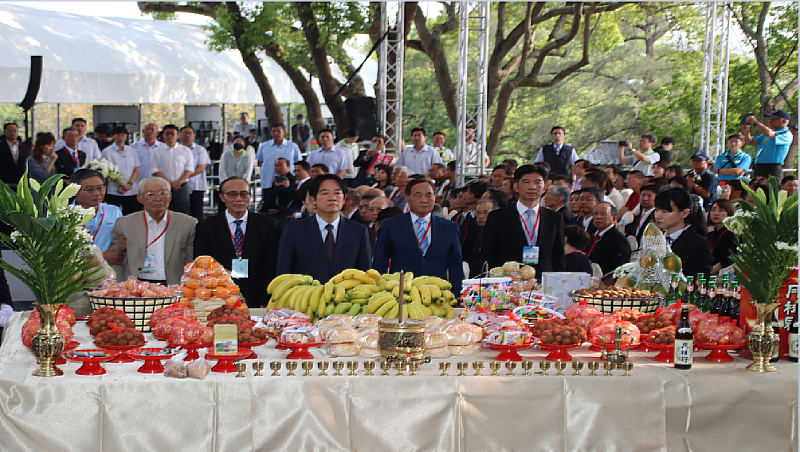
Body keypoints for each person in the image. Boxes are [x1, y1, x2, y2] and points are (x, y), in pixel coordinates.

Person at [194, 177, 279, 307]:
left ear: (250, 196)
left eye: (244, 194)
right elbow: (203, 267)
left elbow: (271, 265)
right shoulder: (206, 227)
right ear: (222, 197)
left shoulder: (268, 225)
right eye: (232, 194)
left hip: (258, 296)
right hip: (220, 298)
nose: (238, 199)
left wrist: (266, 300)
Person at [373, 179, 465, 295]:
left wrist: (458, 296)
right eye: (418, 196)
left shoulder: (449, 227)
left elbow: (456, 266)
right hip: (401, 292)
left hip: (438, 293)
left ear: (435, 197)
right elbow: (380, 262)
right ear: (407, 198)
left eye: (429, 195)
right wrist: (380, 292)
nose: (424, 200)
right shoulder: (391, 225)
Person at [277, 175, 371, 281]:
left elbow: (364, 273)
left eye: (337, 193)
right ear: (313, 199)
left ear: (344, 199)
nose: (332, 198)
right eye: (325, 193)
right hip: (307, 295)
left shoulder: (358, 231)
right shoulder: (294, 231)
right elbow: (283, 274)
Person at [477, 165, 566, 274]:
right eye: (526, 182)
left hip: (543, 281)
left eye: (538, 182)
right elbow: (488, 253)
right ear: (516, 187)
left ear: (544, 188)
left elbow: (558, 256)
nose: (532, 187)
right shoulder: (498, 217)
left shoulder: (554, 218)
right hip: (508, 281)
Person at [110, 177, 197, 285]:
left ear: (170, 196)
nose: (157, 198)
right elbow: (117, 260)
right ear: (139, 198)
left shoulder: (188, 223)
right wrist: (120, 286)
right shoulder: (124, 223)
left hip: (174, 286)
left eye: (162, 193)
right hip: (137, 287)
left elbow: (192, 260)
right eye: (150, 194)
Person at [654, 187, 713, 278]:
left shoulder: (698, 243)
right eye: (656, 210)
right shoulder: (657, 238)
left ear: (684, 213)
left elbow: (701, 279)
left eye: (665, 211)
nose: (658, 216)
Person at [70, 169, 125, 265]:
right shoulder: (64, 216)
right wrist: (102, 258)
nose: (97, 194)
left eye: (101, 188)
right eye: (90, 189)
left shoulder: (113, 212)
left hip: (109, 274)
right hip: (76, 274)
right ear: (75, 191)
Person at [151, 125, 195, 215]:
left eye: (172, 134)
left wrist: (178, 182)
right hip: (162, 188)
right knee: (162, 213)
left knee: (182, 214)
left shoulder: (185, 150)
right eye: (167, 134)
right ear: (163, 135)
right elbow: (154, 170)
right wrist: (169, 183)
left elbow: (189, 169)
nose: (169, 136)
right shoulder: (157, 151)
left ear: (177, 135)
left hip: (181, 187)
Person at [742, 109, 794, 180]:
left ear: (784, 121)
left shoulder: (786, 134)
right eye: (770, 119)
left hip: (772, 167)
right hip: (759, 167)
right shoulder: (766, 135)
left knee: (771, 189)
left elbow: (770, 134)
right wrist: (746, 131)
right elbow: (750, 142)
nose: (770, 122)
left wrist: (756, 122)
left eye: (774, 120)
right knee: (758, 189)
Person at [101, 126, 140, 215]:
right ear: (113, 136)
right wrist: (122, 184)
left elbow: (136, 169)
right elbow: (108, 171)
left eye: (123, 135)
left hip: (131, 190)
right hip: (114, 190)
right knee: (113, 215)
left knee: (131, 214)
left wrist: (129, 184)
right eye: (118, 135)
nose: (121, 137)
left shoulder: (132, 150)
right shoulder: (107, 151)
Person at [586, 202, 630, 275]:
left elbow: (617, 269)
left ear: (614, 218)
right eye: (595, 214)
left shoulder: (619, 240)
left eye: (603, 214)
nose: (598, 217)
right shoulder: (592, 235)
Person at [256, 123, 303, 192]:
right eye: (273, 131)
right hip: (268, 181)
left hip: (288, 183)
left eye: (278, 131)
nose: (276, 133)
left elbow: (298, 163)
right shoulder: (264, 146)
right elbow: (260, 162)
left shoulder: (293, 146)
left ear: (284, 132)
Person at [180, 126, 211, 222]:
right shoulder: (176, 150)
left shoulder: (200, 150)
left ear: (194, 135)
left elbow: (201, 167)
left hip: (196, 186)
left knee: (197, 213)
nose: (187, 135)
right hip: (179, 186)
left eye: (190, 133)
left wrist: (184, 177)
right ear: (180, 135)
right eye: (184, 133)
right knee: (181, 213)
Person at [130, 123, 165, 191]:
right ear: (143, 131)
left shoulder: (163, 147)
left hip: (159, 183)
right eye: (147, 129)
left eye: (152, 130)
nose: (149, 131)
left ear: (157, 133)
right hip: (139, 183)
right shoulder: (134, 147)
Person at [706, 199, 736, 275]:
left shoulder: (731, 234)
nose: (716, 213)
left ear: (729, 213)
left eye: (721, 210)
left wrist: (707, 274)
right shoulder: (710, 235)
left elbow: (725, 260)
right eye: (713, 210)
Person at [1, 123, 31, 187]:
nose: (12, 133)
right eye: (9, 131)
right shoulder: (1, 146)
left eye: (15, 130)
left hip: (22, 182)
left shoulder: (25, 147)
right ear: (4, 132)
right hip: (5, 182)